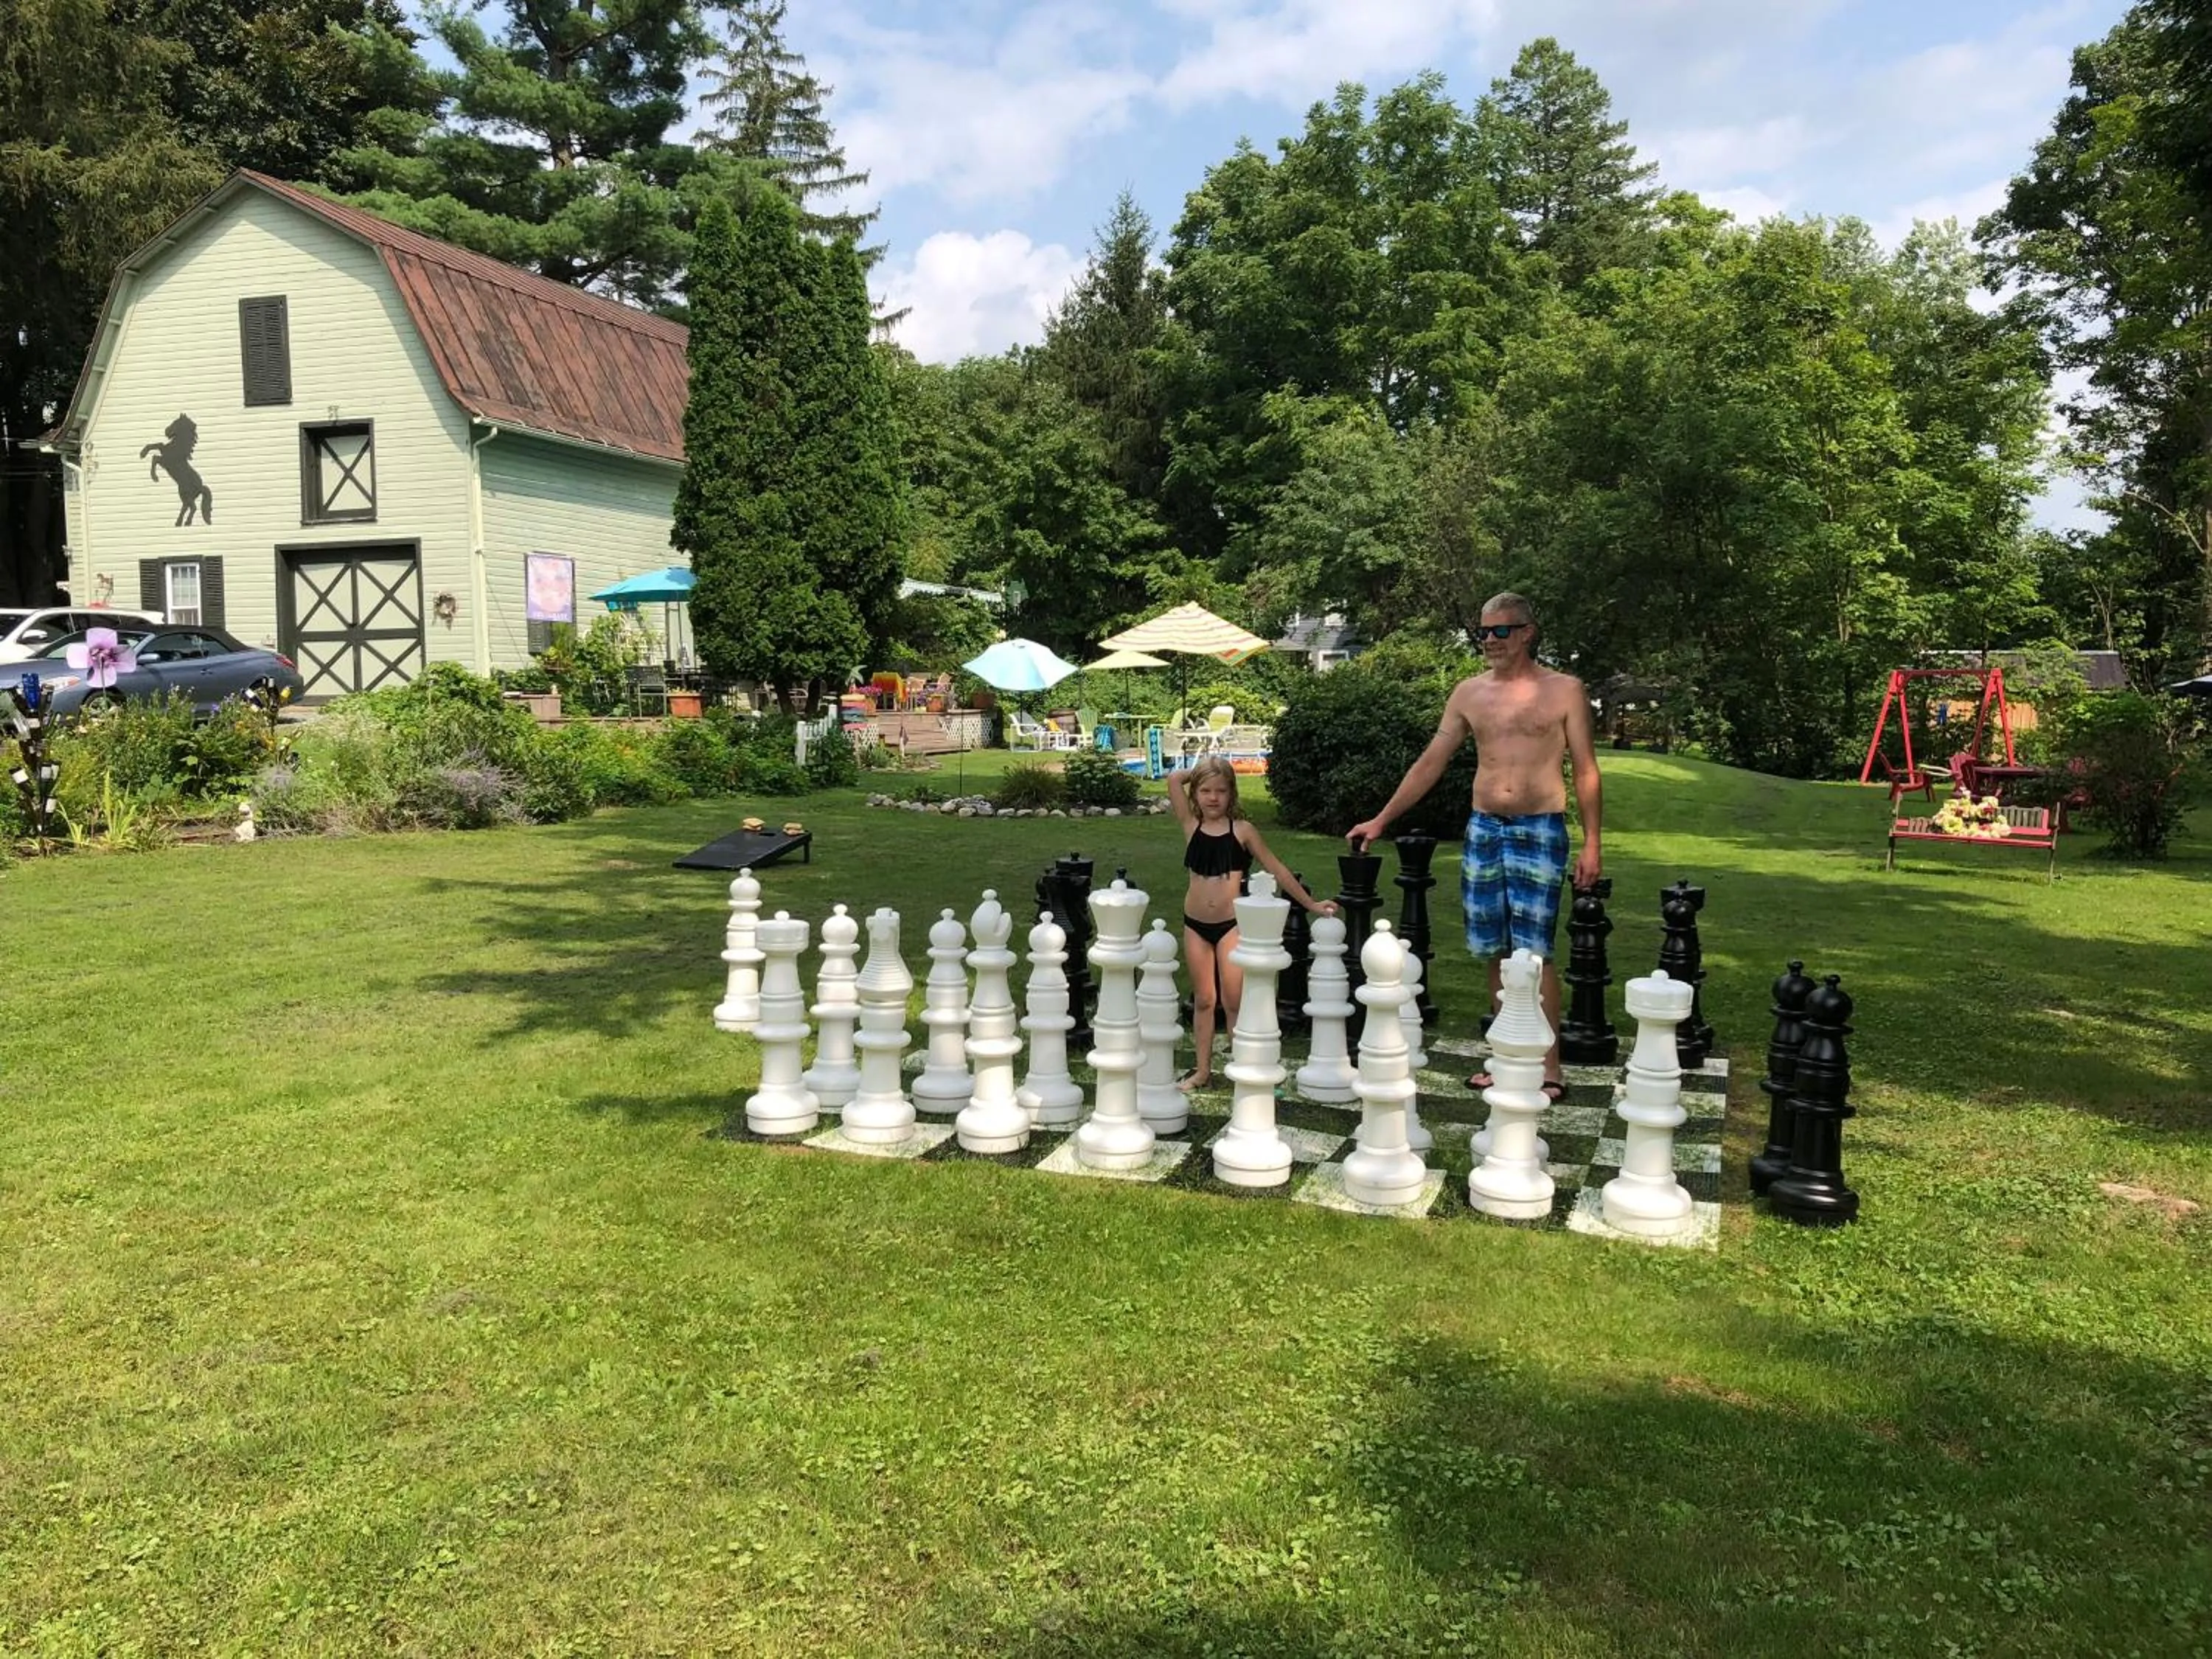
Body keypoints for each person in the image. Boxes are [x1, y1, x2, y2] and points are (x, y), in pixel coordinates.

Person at [1346, 593, 1601, 1099]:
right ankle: (1507, 1057)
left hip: (1539, 828)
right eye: (1482, 632)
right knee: (1495, 950)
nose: (1489, 640)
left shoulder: (1565, 691)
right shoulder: (1469, 693)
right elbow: (1430, 762)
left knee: (1535, 954)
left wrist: (1592, 843)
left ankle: (1548, 1069)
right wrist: (1382, 819)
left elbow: (1588, 770)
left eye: (1500, 631)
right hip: (1484, 829)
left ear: (1527, 632)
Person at [1172, 755, 1334, 1091]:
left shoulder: (1242, 831)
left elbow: (1277, 868)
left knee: (1233, 1000)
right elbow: (1175, 779)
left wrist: (1310, 904)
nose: (1213, 797)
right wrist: (1208, 765)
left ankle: (1241, 1067)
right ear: (1195, 795)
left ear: (1232, 794)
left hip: (1231, 924)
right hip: (1195, 925)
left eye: (1221, 790)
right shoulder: (1191, 825)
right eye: (1205, 790)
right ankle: (1202, 1071)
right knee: (1204, 1000)